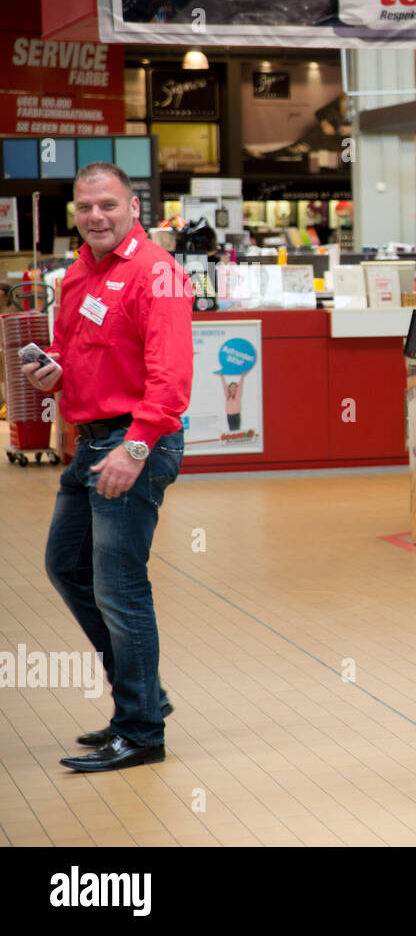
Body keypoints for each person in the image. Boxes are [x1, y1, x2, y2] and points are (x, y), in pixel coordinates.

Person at [22, 162, 193, 773]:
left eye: (109, 206)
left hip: (133, 443)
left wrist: (136, 446)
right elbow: (71, 349)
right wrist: (53, 371)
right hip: (90, 443)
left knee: (120, 587)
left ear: (133, 208)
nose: (97, 216)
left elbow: (171, 380)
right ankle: (141, 695)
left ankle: (142, 730)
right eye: (86, 207)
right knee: (67, 565)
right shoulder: (77, 274)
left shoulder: (157, 273)